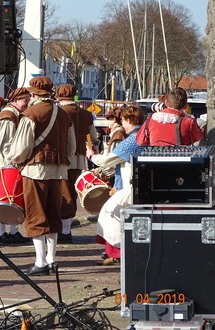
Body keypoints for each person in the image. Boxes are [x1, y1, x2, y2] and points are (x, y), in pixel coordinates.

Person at [9, 76, 76, 276]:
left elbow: (21, 148)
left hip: (35, 170)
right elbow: (71, 148)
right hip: (58, 171)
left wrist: (16, 160)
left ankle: (40, 262)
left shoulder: (30, 114)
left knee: (36, 214)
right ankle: (52, 259)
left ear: (33, 94)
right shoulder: (64, 115)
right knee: (53, 213)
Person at [87, 105, 145, 265]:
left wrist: (93, 156)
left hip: (130, 187)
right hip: (141, 186)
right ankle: (116, 252)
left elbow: (109, 160)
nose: (123, 125)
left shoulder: (133, 139)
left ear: (128, 120)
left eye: (124, 121)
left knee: (111, 215)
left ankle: (118, 252)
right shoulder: (145, 135)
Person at [55, 84, 97, 244]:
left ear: (59, 96)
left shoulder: (59, 113)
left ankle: (64, 231)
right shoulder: (86, 114)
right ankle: (66, 229)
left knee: (64, 193)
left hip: (63, 157)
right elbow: (91, 137)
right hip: (80, 158)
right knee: (72, 192)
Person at [0, 87, 31, 244]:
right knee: (5, 197)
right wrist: (14, 162)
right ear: (15, 101)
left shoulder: (14, 115)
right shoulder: (8, 118)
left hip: (11, 163)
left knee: (12, 197)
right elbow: (6, 145)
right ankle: (2, 233)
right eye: (25, 101)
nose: (27, 105)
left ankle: (13, 231)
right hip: (8, 164)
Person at [136, 87, 204, 146]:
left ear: (166, 103)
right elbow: (199, 138)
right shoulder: (189, 122)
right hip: (181, 159)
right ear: (185, 106)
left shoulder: (151, 120)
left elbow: (140, 141)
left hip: (155, 159)